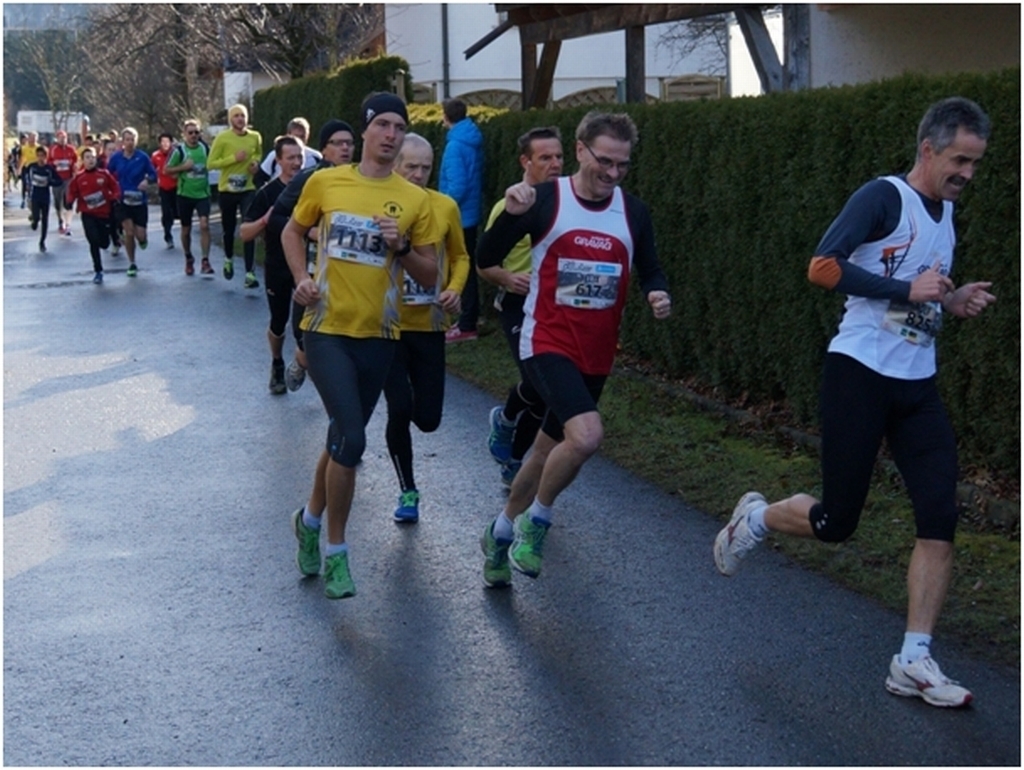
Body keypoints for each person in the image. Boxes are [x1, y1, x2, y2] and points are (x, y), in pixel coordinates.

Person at [713, 97, 995, 709]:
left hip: (917, 383)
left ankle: (913, 659)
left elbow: (920, 292)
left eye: (975, 163)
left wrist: (950, 301)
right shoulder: (882, 196)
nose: (968, 173)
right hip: (859, 374)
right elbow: (821, 267)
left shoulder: (944, 213)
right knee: (837, 523)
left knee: (939, 513)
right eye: (960, 160)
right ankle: (757, 519)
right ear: (928, 148)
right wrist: (905, 287)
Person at [476, 111, 672, 588]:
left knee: (545, 450)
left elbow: (650, 267)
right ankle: (535, 525)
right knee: (584, 437)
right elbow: (486, 258)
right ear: (581, 150)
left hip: (597, 351)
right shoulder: (546, 199)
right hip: (545, 340)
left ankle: (499, 532)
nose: (612, 173)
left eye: (622, 165)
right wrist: (513, 212)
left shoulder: (633, 211)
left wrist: (657, 293)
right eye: (604, 161)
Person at [283, 92, 439, 600]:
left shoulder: (415, 200)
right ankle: (337, 552)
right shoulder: (327, 181)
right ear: (366, 130)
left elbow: (429, 273)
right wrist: (301, 277)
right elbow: (293, 231)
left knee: (341, 438)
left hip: (380, 336)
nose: (391, 135)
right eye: (383, 126)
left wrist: (401, 246)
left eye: (400, 127)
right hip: (326, 329)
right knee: (352, 436)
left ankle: (307, 520)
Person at [383, 133, 469, 522]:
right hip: (388, 325)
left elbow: (461, 256)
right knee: (399, 407)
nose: (418, 174)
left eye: (425, 167)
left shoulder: (444, 206)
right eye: (410, 167)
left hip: (429, 324)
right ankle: (408, 490)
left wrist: (453, 289)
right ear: (395, 166)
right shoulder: (381, 204)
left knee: (429, 419)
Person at [478, 126, 564, 487]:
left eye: (559, 156)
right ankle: (507, 416)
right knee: (539, 384)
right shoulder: (509, 205)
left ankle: (514, 458)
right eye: (546, 158)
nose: (556, 164)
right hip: (517, 303)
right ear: (525, 162)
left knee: (549, 397)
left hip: (557, 305)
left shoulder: (566, 201)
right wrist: (506, 278)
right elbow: (484, 262)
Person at [270, 119, 357, 392]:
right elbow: (277, 217)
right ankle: (301, 359)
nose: (345, 148)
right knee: (303, 332)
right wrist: (308, 231)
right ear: (323, 149)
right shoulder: (310, 179)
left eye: (350, 143)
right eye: (337, 143)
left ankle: (337, 399)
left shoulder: (362, 179)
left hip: (351, 272)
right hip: (314, 271)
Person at [240, 135, 305, 394]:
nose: (297, 163)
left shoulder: (312, 187)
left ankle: (303, 364)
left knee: (310, 324)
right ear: (278, 161)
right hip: (278, 265)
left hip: (306, 266)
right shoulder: (267, 192)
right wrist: (265, 221)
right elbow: (244, 233)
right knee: (279, 322)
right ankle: (277, 362)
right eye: (291, 158)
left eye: (300, 157)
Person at [438, 97, 485, 343]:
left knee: (460, 268)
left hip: (458, 215)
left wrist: (441, 207)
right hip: (470, 212)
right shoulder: (471, 138)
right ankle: (469, 318)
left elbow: (457, 186)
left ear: (446, 117)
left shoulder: (455, 145)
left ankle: (466, 323)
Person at [208, 103, 262, 287]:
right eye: (237, 115)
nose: (240, 119)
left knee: (248, 228)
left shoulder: (255, 136)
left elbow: (258, 153)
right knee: (229, 229)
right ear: (231, 119)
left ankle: (250, 273)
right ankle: (229, 258)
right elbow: (210, 164)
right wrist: (233, 159)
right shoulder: (223, 138)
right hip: (227, 191)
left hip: (247, 188)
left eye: (243, 115)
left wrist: (255, 163)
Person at [106, 127, 157, 278]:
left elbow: (154, 174)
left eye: (132, 140)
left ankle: (142, 240)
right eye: (127, 140)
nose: (129, 143)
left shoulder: (142, 157)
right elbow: (107, 174)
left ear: (136, 141)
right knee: (129, 232)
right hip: (123, 200)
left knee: (140, 235)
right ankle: (132, 263)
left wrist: (147, 180)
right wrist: (112, 189)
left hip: (139, 201)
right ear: (122, 141)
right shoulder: (116, 158)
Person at [164, 119, 214, 276]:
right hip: (184, 195)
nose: (193, 135)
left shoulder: (205, 148)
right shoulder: (179, 151)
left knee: (204, 225)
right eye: (190, 132)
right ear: (184, 134)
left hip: (203, 194)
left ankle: (205, 260)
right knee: (186, 230)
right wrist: (183, 167)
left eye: (196, 132)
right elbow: (166, 170)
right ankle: (188, 257)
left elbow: (214, 163)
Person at [65, 146, 120, 284]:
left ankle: (108, 241)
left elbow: (115, 187)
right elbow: (72, 192)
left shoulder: (104, 174)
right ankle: (98, 270)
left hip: (104, 213)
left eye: (93, 157)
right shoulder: (79, 178)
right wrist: (70, 202)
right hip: (88, 214)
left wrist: (115, 197)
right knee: (93, 241)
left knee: (104, 243)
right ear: (83, 160)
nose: (90, 160)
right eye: (87, 157)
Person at [254, 117, 321, 186]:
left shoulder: (316, 157)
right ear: (288, 135)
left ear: (308, 136)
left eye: (302, 137)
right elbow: (259, 179)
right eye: (296, 137)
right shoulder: (275, 155)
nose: (299, 141)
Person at [23, 146, 63, 253]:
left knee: (45, 220)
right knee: (36, 217)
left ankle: (42, 242)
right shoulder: (32, 167)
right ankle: (35, 222)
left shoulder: (49, 169)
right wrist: (26, 185)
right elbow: (25, 175)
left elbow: (59, 181)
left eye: (43, 156)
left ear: (46, 157)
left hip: (45, 197)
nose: (41, 158)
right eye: (39, 156)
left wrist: (49, 183)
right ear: (36, 156)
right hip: (35, 196)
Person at [151, 132, 179, 248]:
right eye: (163, 142)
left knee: (177, 212)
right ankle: (168, 236)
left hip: (177, 188)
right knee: (166, 213)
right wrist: (152, 176)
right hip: (164, 188)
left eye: (167, 142)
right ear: (159, 143)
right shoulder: (155, 155)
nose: (165, 144)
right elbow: (151, 170)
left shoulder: (176, 154)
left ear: (171, 143)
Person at [47, 129, 78, 235]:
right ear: (57, 138)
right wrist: (54, 163)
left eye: (64, 138)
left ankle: (68, 224)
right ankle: (61, 221)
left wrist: (72, 163)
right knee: (57, 202)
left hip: (68, 178)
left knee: (68, 202)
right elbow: (48, 162)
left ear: (67, 138)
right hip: (57, 179)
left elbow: (76, 160)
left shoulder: (71, 149)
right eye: (60, 138)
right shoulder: (53, 149)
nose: (62, 140)